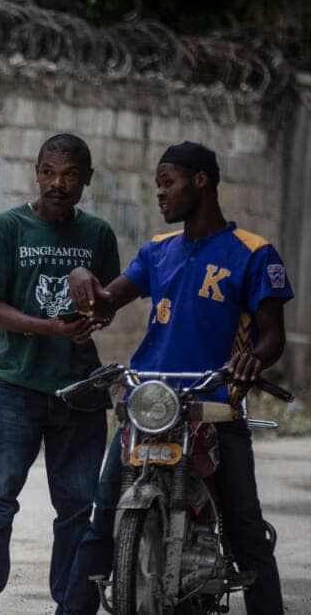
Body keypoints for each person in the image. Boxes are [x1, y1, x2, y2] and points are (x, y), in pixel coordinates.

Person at [62, 141, 292, 615]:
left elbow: (273, 338)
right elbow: (106, 304)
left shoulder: (253, 252)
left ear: (201, 181)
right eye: (157, 186)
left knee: (245, 527)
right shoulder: (157, 251)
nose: (161, 195)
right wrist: (83, 276)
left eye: (168, 183)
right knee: (101, 522)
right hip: (147, 403)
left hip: (214, 407)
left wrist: (253, 359)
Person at [0, 133, 120, 615]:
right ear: (36, 172)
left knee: (76, 510)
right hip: (17, 387)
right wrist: (51, 327)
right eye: (50, 172)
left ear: (86, 180)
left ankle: (70, 607)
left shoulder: (98, 235)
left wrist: (91, 319)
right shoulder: (7, 229)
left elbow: (110, 305)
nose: (58, 183)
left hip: (80, 392)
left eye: (70, 175)